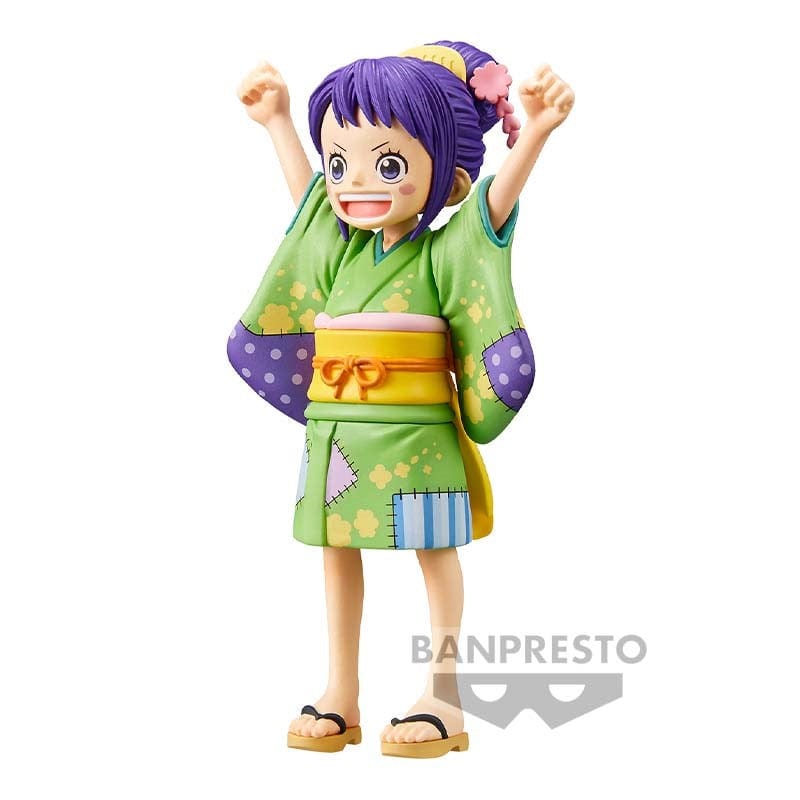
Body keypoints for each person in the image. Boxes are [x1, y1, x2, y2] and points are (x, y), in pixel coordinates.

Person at [228, 41, 574, 757]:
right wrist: (278, 123)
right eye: (339, 163)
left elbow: (492, 213)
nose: (355, 183)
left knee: (434, 548)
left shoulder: (442, 251)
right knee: (335, 548)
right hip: (337, 429)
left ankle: (444, 695)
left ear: (448, 177)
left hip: (416, 431)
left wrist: (535, 133)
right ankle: (341, 691)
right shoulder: (342, 248)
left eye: (387, 165)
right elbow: (309, 208)